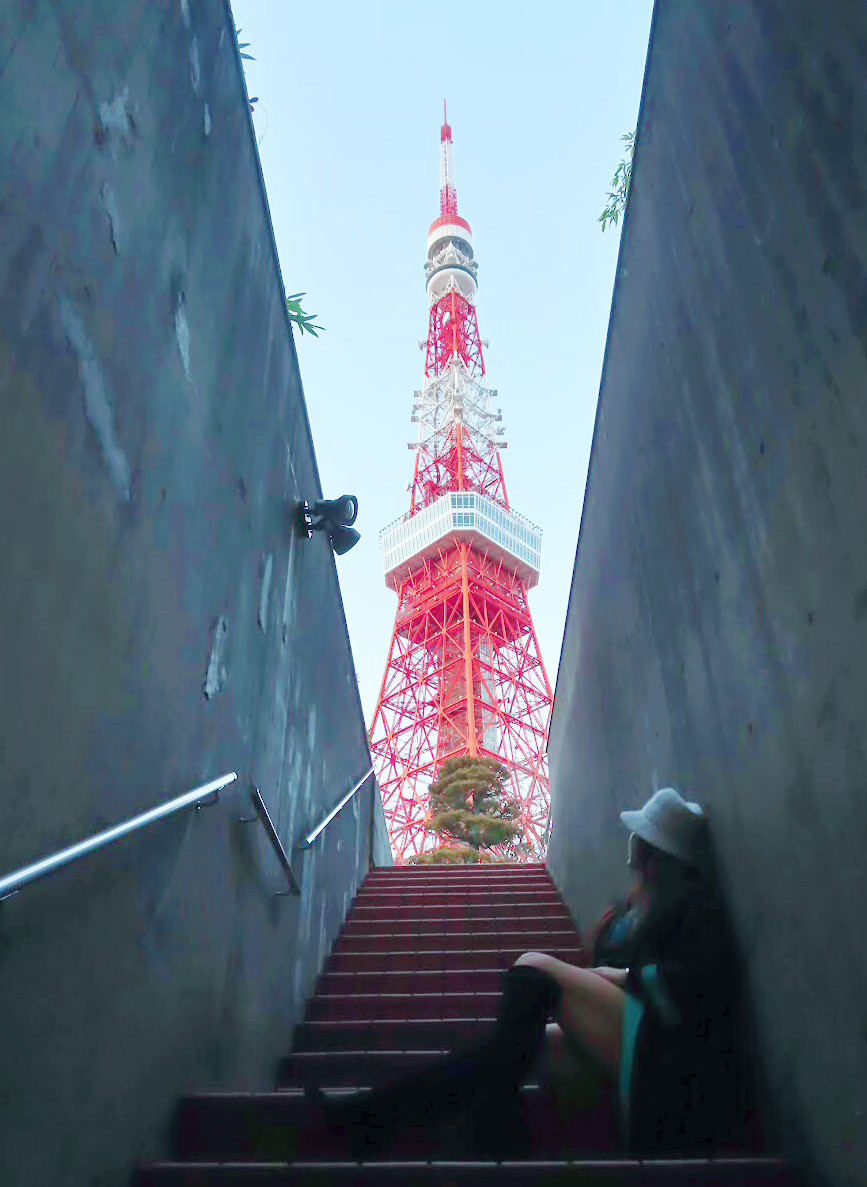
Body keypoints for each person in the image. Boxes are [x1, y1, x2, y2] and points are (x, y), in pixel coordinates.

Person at [303, 788, 750, 1158]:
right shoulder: (654, 907)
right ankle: (371, 1119)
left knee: (532, 970)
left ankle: (476, 1132)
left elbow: (686, 991)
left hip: (680, 1074)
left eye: (638, 846)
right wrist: (609, 967)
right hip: (655, 1053)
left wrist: (614, 975)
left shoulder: (694, 904)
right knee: (525, 1047)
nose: (630, 858)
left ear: (653, 856)